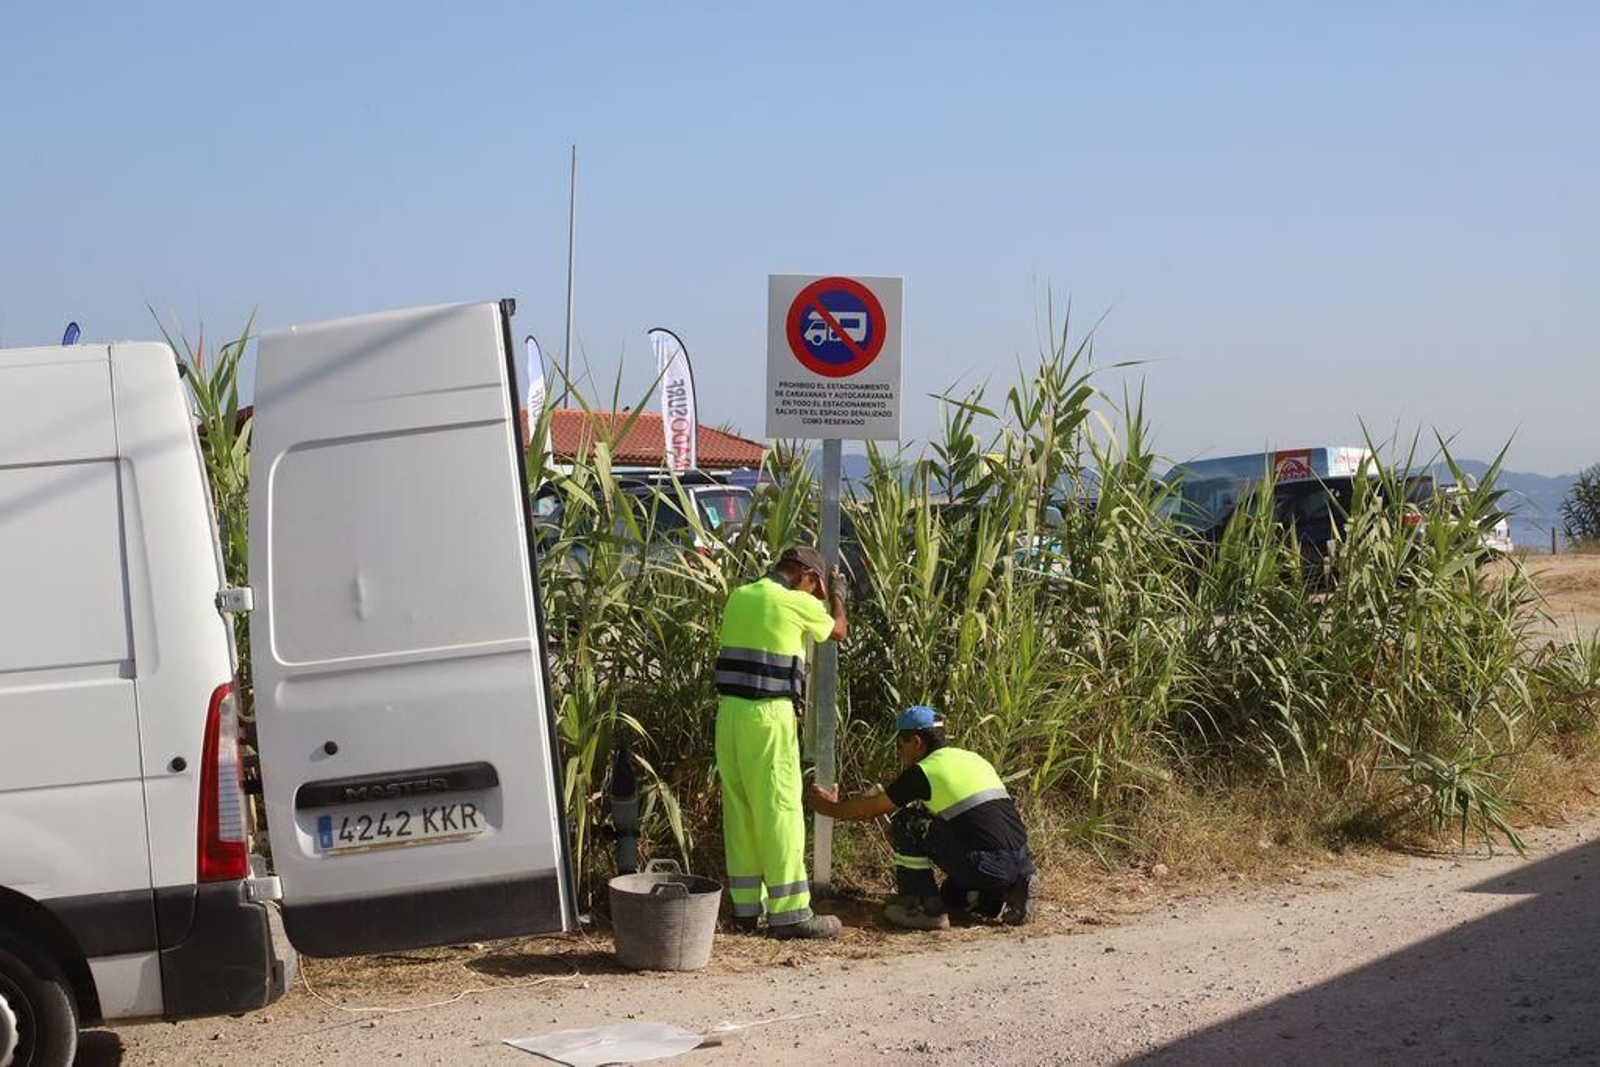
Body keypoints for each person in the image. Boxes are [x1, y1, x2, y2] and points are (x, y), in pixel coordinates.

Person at [715, 544, 848, 939]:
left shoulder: (740, 595)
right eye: (815, 588)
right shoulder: (793, 601)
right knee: (779, 809)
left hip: (729, 715)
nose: (813, 597)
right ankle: (790, 913)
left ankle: (744, 911)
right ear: (807, 577)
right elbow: (837, 631)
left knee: (740, 813)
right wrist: (838, 596)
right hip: (768, 716)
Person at [808, 706, 1039, 930]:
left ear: (916, 742)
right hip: (1018, 861)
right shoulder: (973, 759)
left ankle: (924, 908)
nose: (899, 753)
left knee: (907, 822)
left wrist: (827, 807)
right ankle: (1012, 889)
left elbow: (869, 809)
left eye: (900, 746)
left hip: (986, 864)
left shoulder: (924, 771)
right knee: (951, 894)